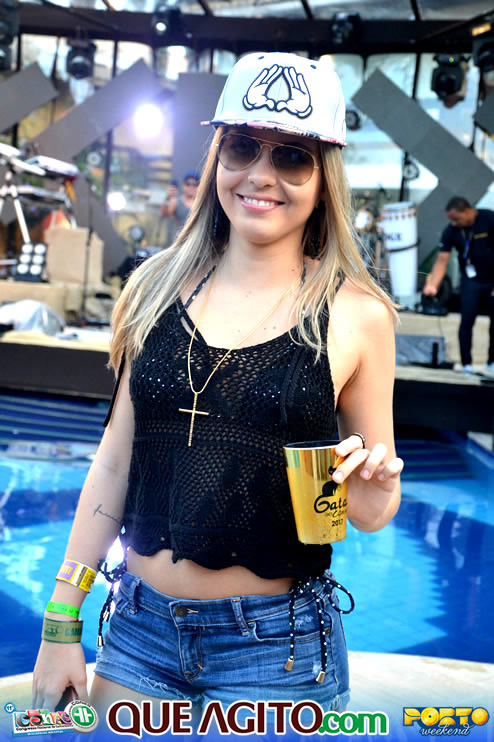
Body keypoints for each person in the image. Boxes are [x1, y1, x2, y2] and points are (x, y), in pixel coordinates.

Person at [32, 52, 403, 733]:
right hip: (139, 634)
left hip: (277, 651)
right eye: (241, 147)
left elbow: (368, 509)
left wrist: (370, 490)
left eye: (291, 157)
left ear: (325, 178)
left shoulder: (358, 315)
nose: (260, 174)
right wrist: (61, 621)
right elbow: (114, 464)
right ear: (217, 158)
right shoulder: (152, 289)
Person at [423, 196, 494, 377]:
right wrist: (433, 285)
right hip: (471, 280)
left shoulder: (488, 219)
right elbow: (442, 260)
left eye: (456, 218)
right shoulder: (451, 231)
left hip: (492, 278)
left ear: (468, 211)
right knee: (466, 321)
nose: (454, 223)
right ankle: (466, 364)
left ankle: (492, 362)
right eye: (451, 220)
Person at [160, 169, 200, 246]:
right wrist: (167, 197)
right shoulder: (176, 201)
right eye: (188, 184)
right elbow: (164, 213)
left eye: (195, 184)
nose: (191, 187)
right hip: (178, 243)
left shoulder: (201, 204)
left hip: (195, 244)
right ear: (183, 185)